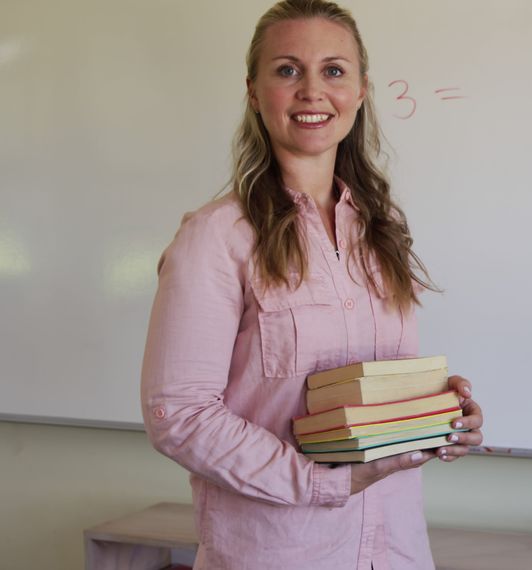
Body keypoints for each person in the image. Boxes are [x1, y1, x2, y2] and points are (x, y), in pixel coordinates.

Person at [140, 1, 484, 568]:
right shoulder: (215, 238)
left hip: (394, 548)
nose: (311, 90)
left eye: (333, 70)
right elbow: (179, 414)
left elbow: (370, 394)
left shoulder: (381, 231)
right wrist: (321, 481)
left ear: (362, 89)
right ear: (254, 92)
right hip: (279, 551)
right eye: (286, 70)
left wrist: (440, 412)